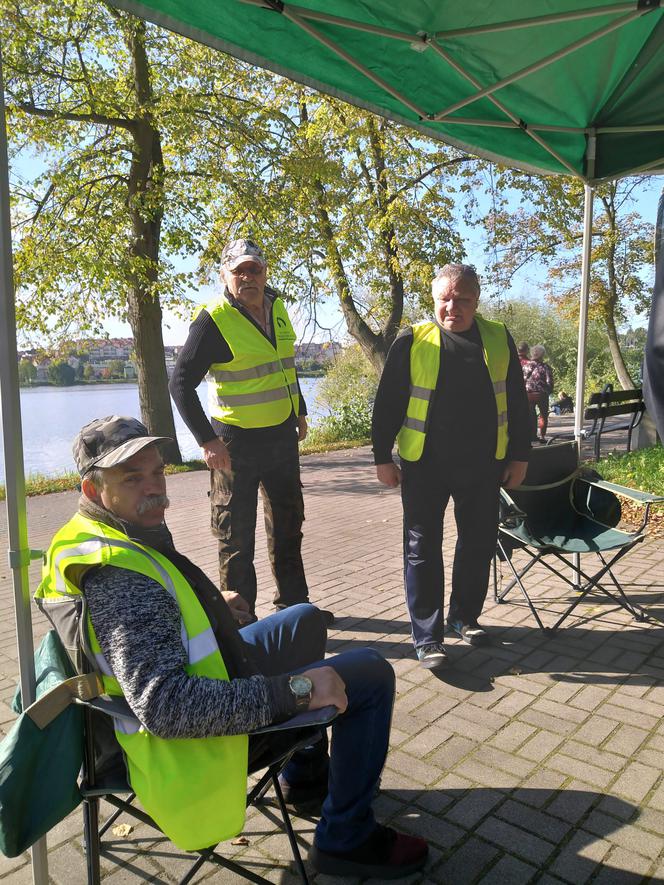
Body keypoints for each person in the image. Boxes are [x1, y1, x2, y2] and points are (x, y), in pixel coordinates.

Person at [34, 416, 428, 879]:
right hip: (191, 744)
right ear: (94, 487)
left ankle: (304, 778)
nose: (154, 487)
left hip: (192, 691)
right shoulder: (118, 578)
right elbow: (166, 707)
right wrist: (298, 691)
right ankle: (347, 838)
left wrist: (208, 603)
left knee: (300, 620)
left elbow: (147, 626)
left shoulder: (94, 533)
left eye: (158, 471)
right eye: (133, 478)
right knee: (370, 672)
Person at [372, 264, 531, 668]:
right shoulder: (412, 339)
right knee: (422, 548)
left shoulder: (498, 337)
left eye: (462, 299)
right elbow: (387, 402)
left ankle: (465, 616)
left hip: (484, 462)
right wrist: (381, 457)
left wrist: (520, 454)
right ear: (433, 300)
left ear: (476, 300)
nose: (452, 307)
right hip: (424, 464)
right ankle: (427, 637)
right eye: (444, 298)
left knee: (477, 543)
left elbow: (516, 398)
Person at [170, 238, 332, 624]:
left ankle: (295, 612)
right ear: (224, 275)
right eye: (238, 270)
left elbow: (285, 364)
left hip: (280, 437)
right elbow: (179, 384)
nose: (247, 277)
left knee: (289, 527)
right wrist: (206, 441)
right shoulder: (214, 319)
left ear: (265, 272)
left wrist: (300, 411)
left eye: (254, 269)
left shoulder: (277, 307)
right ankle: (242, 625)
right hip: (234, 443)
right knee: (236, 540)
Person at [524, 344, 554, 442]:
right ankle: (542, 436)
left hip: (529, 394)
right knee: (543, 415)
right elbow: (549, 382)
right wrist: (548, 392)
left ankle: (531, 435)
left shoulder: (526, 366)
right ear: (542, 355)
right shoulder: (546, 367)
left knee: (530, 415)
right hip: (542, 394)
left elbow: (522, 379)